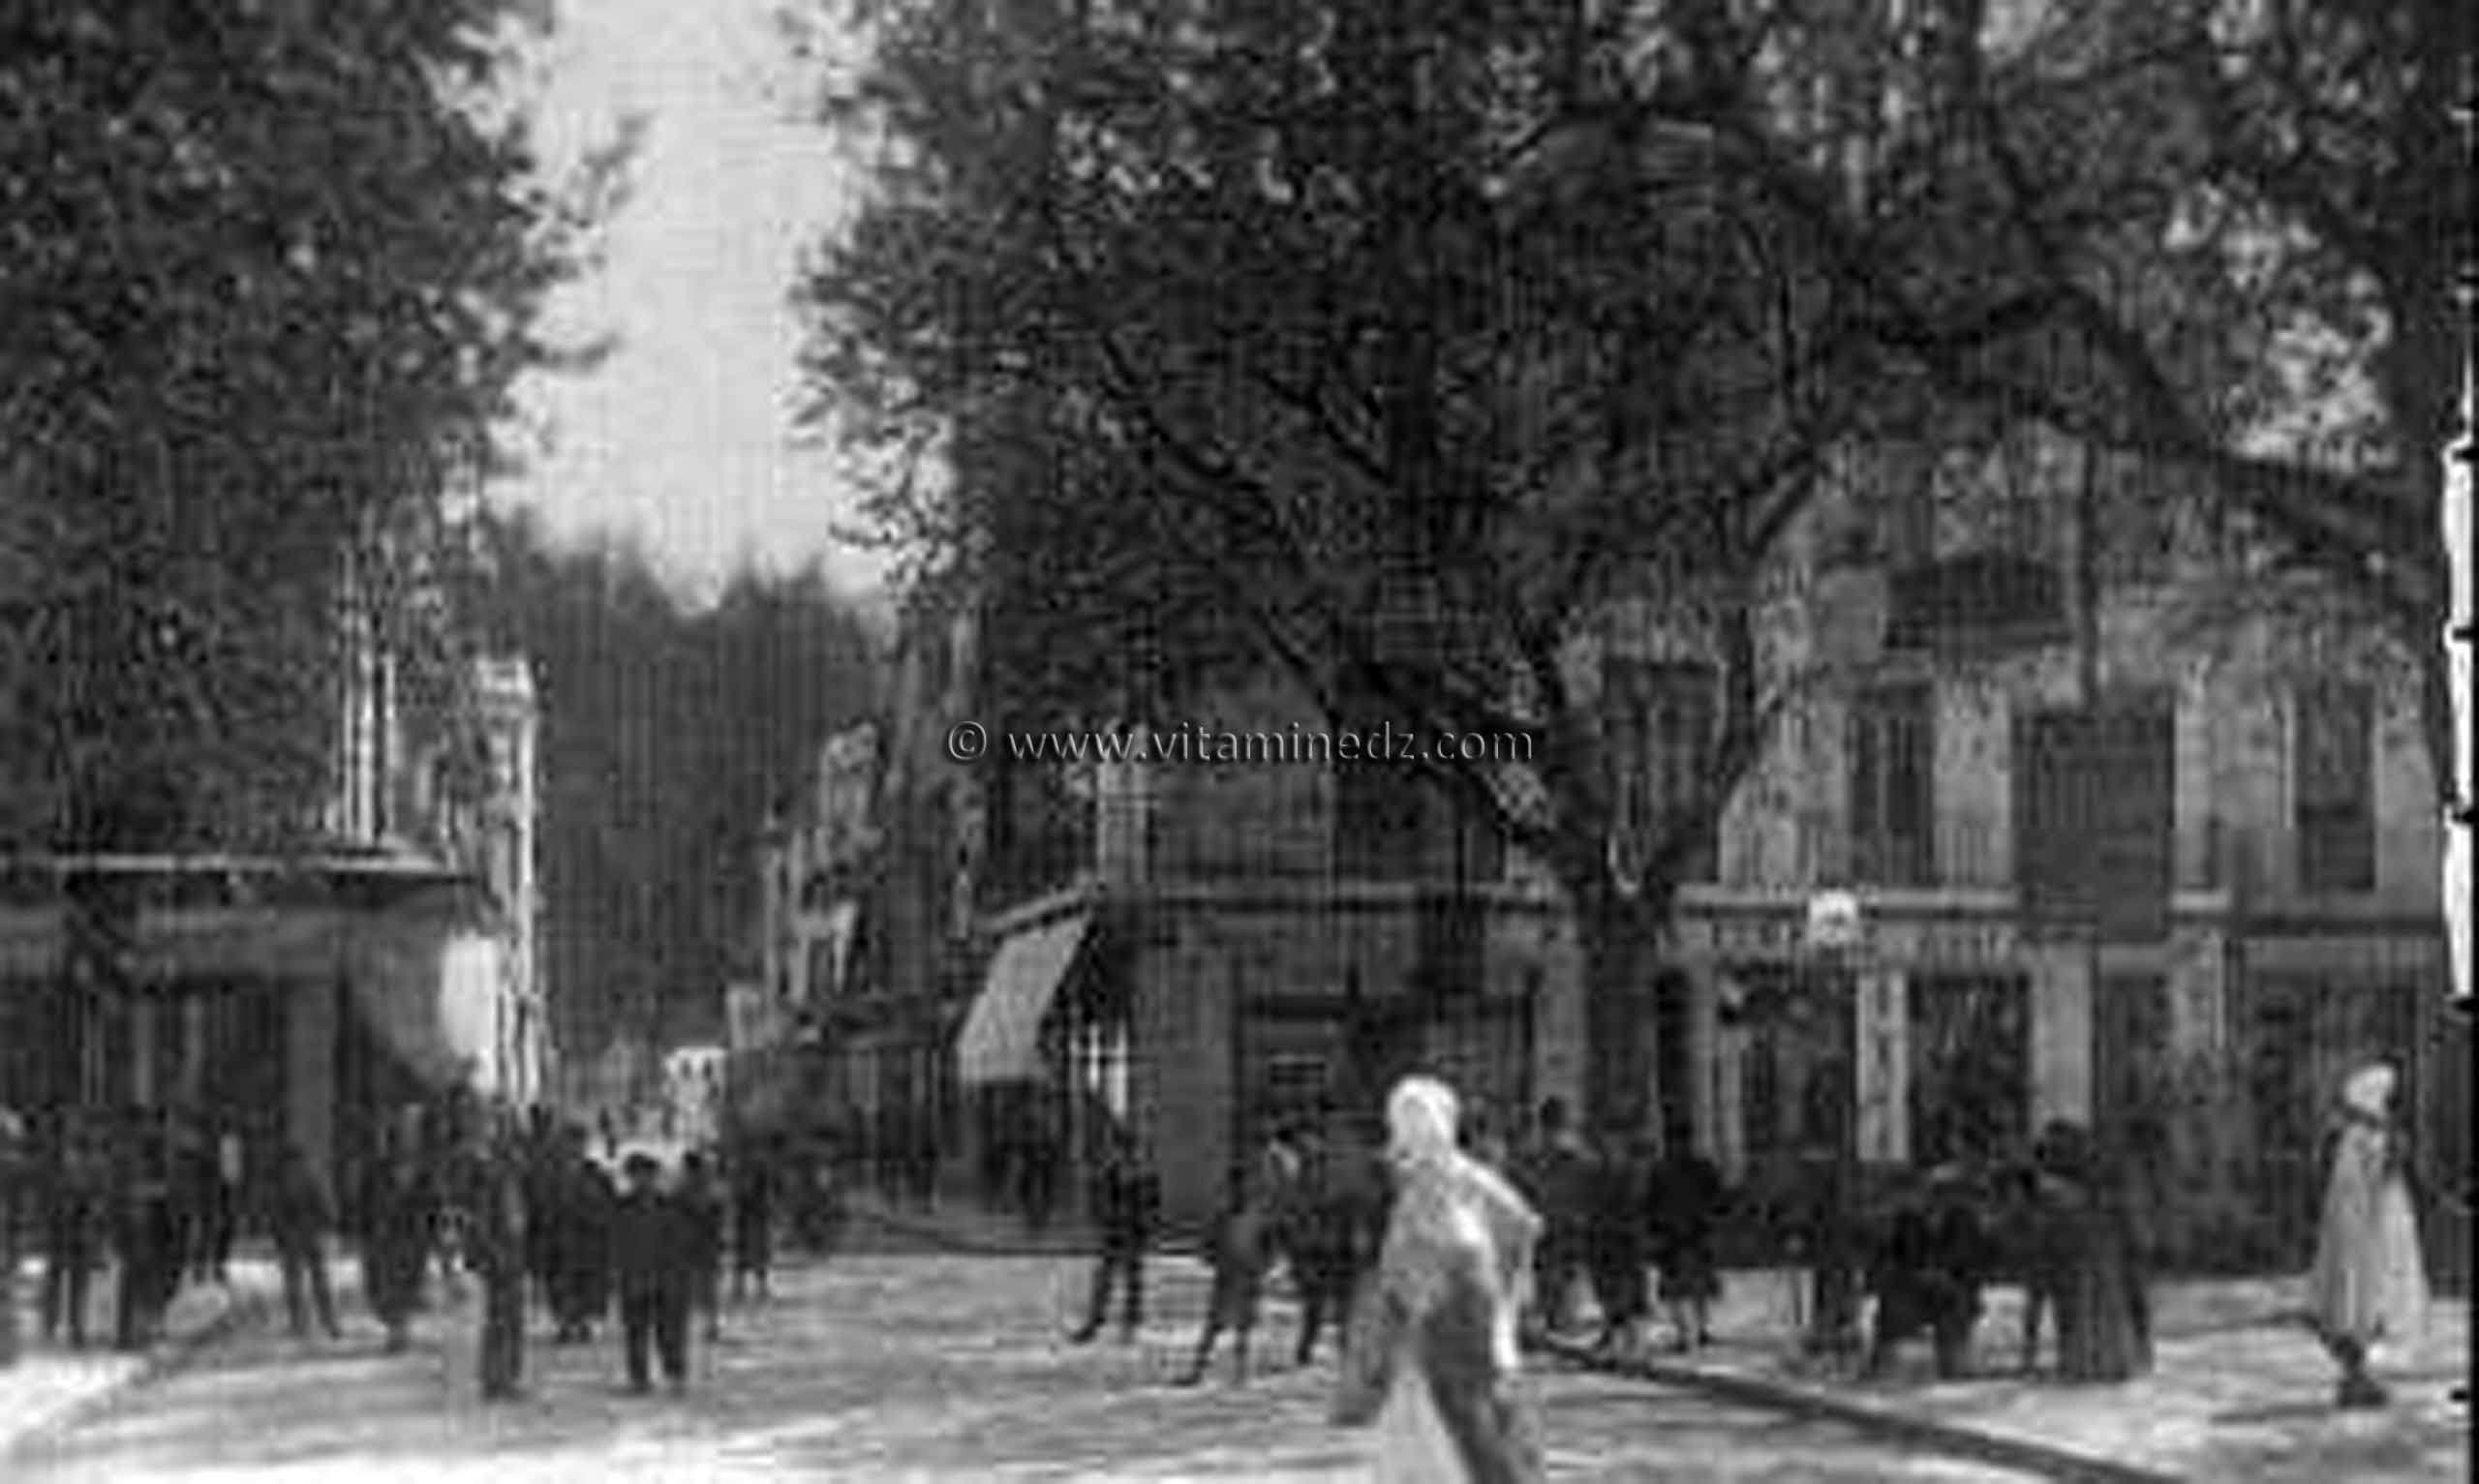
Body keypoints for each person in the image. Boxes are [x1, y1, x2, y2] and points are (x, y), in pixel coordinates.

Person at [1331, 1075, 1546, 1483]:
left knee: (1442, 1447)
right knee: (1484, 1436)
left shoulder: (1416, 1187)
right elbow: (1525, 1226)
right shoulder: (1468, 1176)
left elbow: (1398, 1273)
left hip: (1431, 1342)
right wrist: (1508, 1300)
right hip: (1474, 1333)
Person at [2308, 1061, 2430, 1408]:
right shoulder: (2360, 1137)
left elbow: (2386, 1181)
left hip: (2378, 1235)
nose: (2391, 1106)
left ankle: (2360, 1380)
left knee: (2372, 1309)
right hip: (2366, 1238)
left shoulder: (2364, 1135)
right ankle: (2356, 1380)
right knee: (2361, 1308)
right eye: (2388, 1099)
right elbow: (2359, 1193)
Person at [1176, 1164, 1277, 1386]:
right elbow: (1207, 1245)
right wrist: (1213, 1258)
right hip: (1227, 1275)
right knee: (1213, 1327)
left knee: (1243, 1328)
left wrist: (1263, 1265)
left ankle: (1239, 1372)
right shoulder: (1223, 1215)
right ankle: (1198, 1370)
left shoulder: (1257, 1215)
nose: (1240, 1191)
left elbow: (1270, 1245)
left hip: (1247, 1275)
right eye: (1235, 1186)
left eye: (1243, 1186)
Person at [609, 1152, 695, 1395]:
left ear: (654, 1177)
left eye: (646, 1175)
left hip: (666, 1278)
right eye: (636, 1175)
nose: (642, 1180)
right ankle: (639, 1378)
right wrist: (617, 1274)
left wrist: (680, 1276)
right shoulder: (621, 1207)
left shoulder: (669, 1206)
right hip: (634, 1277)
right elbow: (615, 1243)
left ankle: (675, 1375)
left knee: (670, 1331)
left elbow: (682, 1242)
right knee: (635, 1331)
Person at [1068, 1124, 1158, 1346]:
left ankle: (1128, 1326)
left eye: (1121, 1148)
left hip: (1132, 1232)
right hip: (1115, 1231)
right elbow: (1104, 1200)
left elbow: (1152, 1204)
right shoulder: (1113, 1171)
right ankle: (1095, 1324)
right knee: (1105, 1280)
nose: (1118, 1153)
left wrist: (1145, 1225)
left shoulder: (1143, 1173)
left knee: (1131, 1282)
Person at [1517, 1097, 1591, 1339]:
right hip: (1571, 1219)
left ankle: (1555, 1317)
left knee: (1549, 1268)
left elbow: (1525, 1186)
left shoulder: (1534, 1154)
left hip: (1547, 1218)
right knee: (1567, 1269)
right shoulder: (1577, 1154)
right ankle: (1565, 1318)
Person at [1645, 1137, 1726, 1352]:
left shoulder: (1661, 1170)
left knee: (1678, 1289)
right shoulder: (1703, 1167)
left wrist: (1653, 1229)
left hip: (1673, 1236)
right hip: (1698, 1232)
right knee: (1698, 1285)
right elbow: (1718, 1197)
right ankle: (1699, 1331)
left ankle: (1687, 1335)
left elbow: (1649, 1203)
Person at [360, 1126, 436, 1353]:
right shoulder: (376, 1172)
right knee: (386, 1286)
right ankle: (397, 1330)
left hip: (410, 1238)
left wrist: (429, 1230)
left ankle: (400, 1332)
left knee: (403, 1285)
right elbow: (364, 1204)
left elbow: (431, 1204)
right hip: (385, 1239)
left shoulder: (422, 1173)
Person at [471, 1120, 530, 1401]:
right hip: (500, 1260)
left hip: (513, 1257)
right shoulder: (493, 1183)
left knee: (510, 1320)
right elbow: (483, 1226)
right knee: (501, 1321)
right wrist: (494, 1255)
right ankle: (497, 1379)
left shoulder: (512, 1183)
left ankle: (505, 1377)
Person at [41, 1116, 108, 1349]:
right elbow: (48, 1194)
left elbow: (99, 1196)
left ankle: (75, 1327)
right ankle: (52, 1324)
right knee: (58, 1275)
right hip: (62, 1226)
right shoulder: (55, 1162)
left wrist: (93, 1217)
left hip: (80, 1226)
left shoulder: (92, 1163)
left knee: (77, 1279)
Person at [1583, 1132, 1650, 1359]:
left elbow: (1636, 1203)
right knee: (1618, 1294)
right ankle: (1625, 1346)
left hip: (1620, 1239)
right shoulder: (1605, 1174)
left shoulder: (1623, 1174)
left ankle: (1631, 1346)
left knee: (1624, 1294)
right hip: (1613, 1239)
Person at [268, 1142, 343, 1341]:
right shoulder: (313, 1177)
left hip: (298, 1235)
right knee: (316, 1279)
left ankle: (303, 1322)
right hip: (309, 1234)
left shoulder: (281, 1181)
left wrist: (279, 1236)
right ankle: (327, 1321)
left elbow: (275, 1213)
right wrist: (328, 1226)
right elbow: (327, 1206)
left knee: (298, 1280)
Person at [679, 1150, 727, 1343]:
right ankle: (707, 1324)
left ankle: (710, 1324)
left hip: (703, 1245)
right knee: (699, 1288)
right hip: (694, 1245)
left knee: (705, 1288)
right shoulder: (686, 1190)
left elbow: (720, 1218)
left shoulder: (708, 1191)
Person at [729, 1137, 778, 1301]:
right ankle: (743, 1288)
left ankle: (756, 1287)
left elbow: (765, 1194)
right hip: (748, 1215)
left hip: (755, 1215)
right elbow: (737, 1192)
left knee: (755, 1253)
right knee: (745, 1252)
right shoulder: (743, 1168)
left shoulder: (753, 1169)